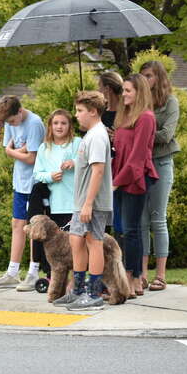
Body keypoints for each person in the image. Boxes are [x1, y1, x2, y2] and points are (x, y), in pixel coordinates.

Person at [55, 91, 113, 309]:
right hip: (81, 202)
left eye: (80, 111)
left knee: (94, 242)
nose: (76, 115)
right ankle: (77, 290)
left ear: (93, 112)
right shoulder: (90, 135)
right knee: (76, 240)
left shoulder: (98, 135)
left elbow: (98, 171)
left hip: (93, 203)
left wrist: (88, 203)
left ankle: (95, 293)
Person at [0, 95, 46, 289]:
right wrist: (16, 151)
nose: (11, 125)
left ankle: (33, 272)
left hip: (35, 183)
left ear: (20, 111)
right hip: (19, 182)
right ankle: (12, 272)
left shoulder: (35, 123)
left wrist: (12, 153)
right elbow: (9, 146)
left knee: (33, 227)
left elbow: (32, 158)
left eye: (12, 121)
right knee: (17, 224)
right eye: (8, 123)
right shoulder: (10, 121)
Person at [112, 74, 158, 297]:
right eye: (123, 90)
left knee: (131, 230)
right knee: (124, 229)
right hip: (119, 178)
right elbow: (121, 151)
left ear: (139, 92)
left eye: (128, 90)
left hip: (135, 178)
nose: (124, 94)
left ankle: (132, 278)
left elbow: (138, 157)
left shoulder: (146, 118)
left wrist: (116, 182)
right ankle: (133, 277)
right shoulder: (125, 117)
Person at [27, 109, 81, 290]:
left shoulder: (77, 143)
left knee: (73, 245)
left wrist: (74, 163)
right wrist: (50, 176)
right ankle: (54, 278)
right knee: (55, 246)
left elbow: (88, 162)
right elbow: (37, 173)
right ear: (50, 126)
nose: (59, 126)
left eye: (63, 123)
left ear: (69, 126)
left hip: (73, 203)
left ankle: (75, 280)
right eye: (56, 123)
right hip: (54, 205)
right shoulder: (44, 148)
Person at [139, 61, 180, 292]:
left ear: (159, 77)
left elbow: (166, 135)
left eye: (149, 76)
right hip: (141, 165)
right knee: (142, 222)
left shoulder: (170, 102)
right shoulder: (140, 102)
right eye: (142, 76)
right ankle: (142, 274)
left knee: (158, 219)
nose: (145, 80)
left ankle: (161, 275)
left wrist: (141, 133)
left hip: (161, 163)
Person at [98, 71, 124, 238]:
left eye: (99, 87)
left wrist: (117, 138)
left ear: (107, 89)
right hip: (102, 166)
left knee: (119, 213)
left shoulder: (125, 113)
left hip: (120, 167)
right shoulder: (99, 114)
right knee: (102, 212)